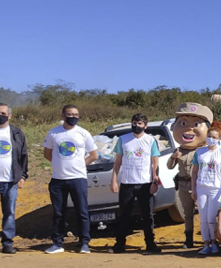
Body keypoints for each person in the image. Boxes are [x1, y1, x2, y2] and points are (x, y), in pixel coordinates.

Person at [43, 105, 99, 254]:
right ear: (63, 115)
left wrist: (81, 165)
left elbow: (94, 154)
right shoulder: (53, 133)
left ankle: (84, 243)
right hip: (58, 180)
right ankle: (57, 243)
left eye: (76, 114)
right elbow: (47, 153)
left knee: (82, 211)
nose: (73, 117)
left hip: (78, 179)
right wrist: (58, 164)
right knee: (58, 212)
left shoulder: (83, 133)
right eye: (70, 114)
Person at [109, 113, 161, 254]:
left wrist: (155, 180)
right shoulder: (123, 140)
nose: (136, 126)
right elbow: (118, 161)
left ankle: (150, 244)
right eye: (134, 123)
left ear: (145, 126)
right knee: (124, 214)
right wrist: (114, 180)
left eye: (139, 123)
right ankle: (119, 244)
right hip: (127, 183)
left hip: (145, 183)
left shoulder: (151, 141)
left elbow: (155, 161)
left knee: (147, 215)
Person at [167, 102, 213, 248]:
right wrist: (174, 157)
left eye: (196, 124)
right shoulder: (179, 149)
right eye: (184, 123)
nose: (189, 128)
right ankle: (188, 240)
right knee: (187, 214)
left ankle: (207, 239)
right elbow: (169, 167)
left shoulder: (205, 150)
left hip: (201, 186)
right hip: (183, 186)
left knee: (204, 214)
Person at [192, 125, 221, 255]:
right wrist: (193, 189)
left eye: (214, 137)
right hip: (201, 188)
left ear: (219, 139)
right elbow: (194, 172)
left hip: (216, 189)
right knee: (203, 218)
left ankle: (214, 243)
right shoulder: (199, 152)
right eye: (209, 136)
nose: (211, 139)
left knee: (211, 218)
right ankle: (206, 244)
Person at [0, 103, 27, 255]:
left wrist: (22, 175)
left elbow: (23, 155)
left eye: (4, 113)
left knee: (9, 212)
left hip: (10, 181)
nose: (1, 115)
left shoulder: (17, 133)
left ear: (9, 115)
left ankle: (7, 242)